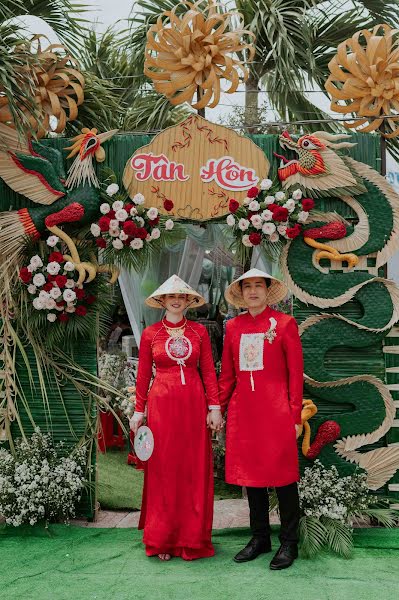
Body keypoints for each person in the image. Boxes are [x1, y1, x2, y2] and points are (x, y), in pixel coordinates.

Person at [130, 274, 223, 561]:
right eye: (171, 295)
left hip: (194, 406)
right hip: (161, 408)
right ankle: (164, 539)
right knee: (165, 469)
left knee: (193, 468)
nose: (176, 299)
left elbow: (208, 371)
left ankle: (191, 537)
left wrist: (214, 407)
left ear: (188, 301)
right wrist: (138, 411)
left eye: (182, 295)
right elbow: (144, 376)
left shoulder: (199, 332)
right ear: (162, 300)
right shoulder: (150, 334)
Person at [218, 268, 303, 570]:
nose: (253, 291)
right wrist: (218, 406)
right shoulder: (233, 327)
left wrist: (294, 415)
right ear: (241, 293)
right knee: (251, 477)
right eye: (247, 286)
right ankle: (260, 537)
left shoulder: (284, 324)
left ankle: (290, 541)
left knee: (283, 477)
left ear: (268, 290)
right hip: (244, 412)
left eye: (258, 285)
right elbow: (227, 375)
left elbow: (295, 374)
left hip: (277, 410)